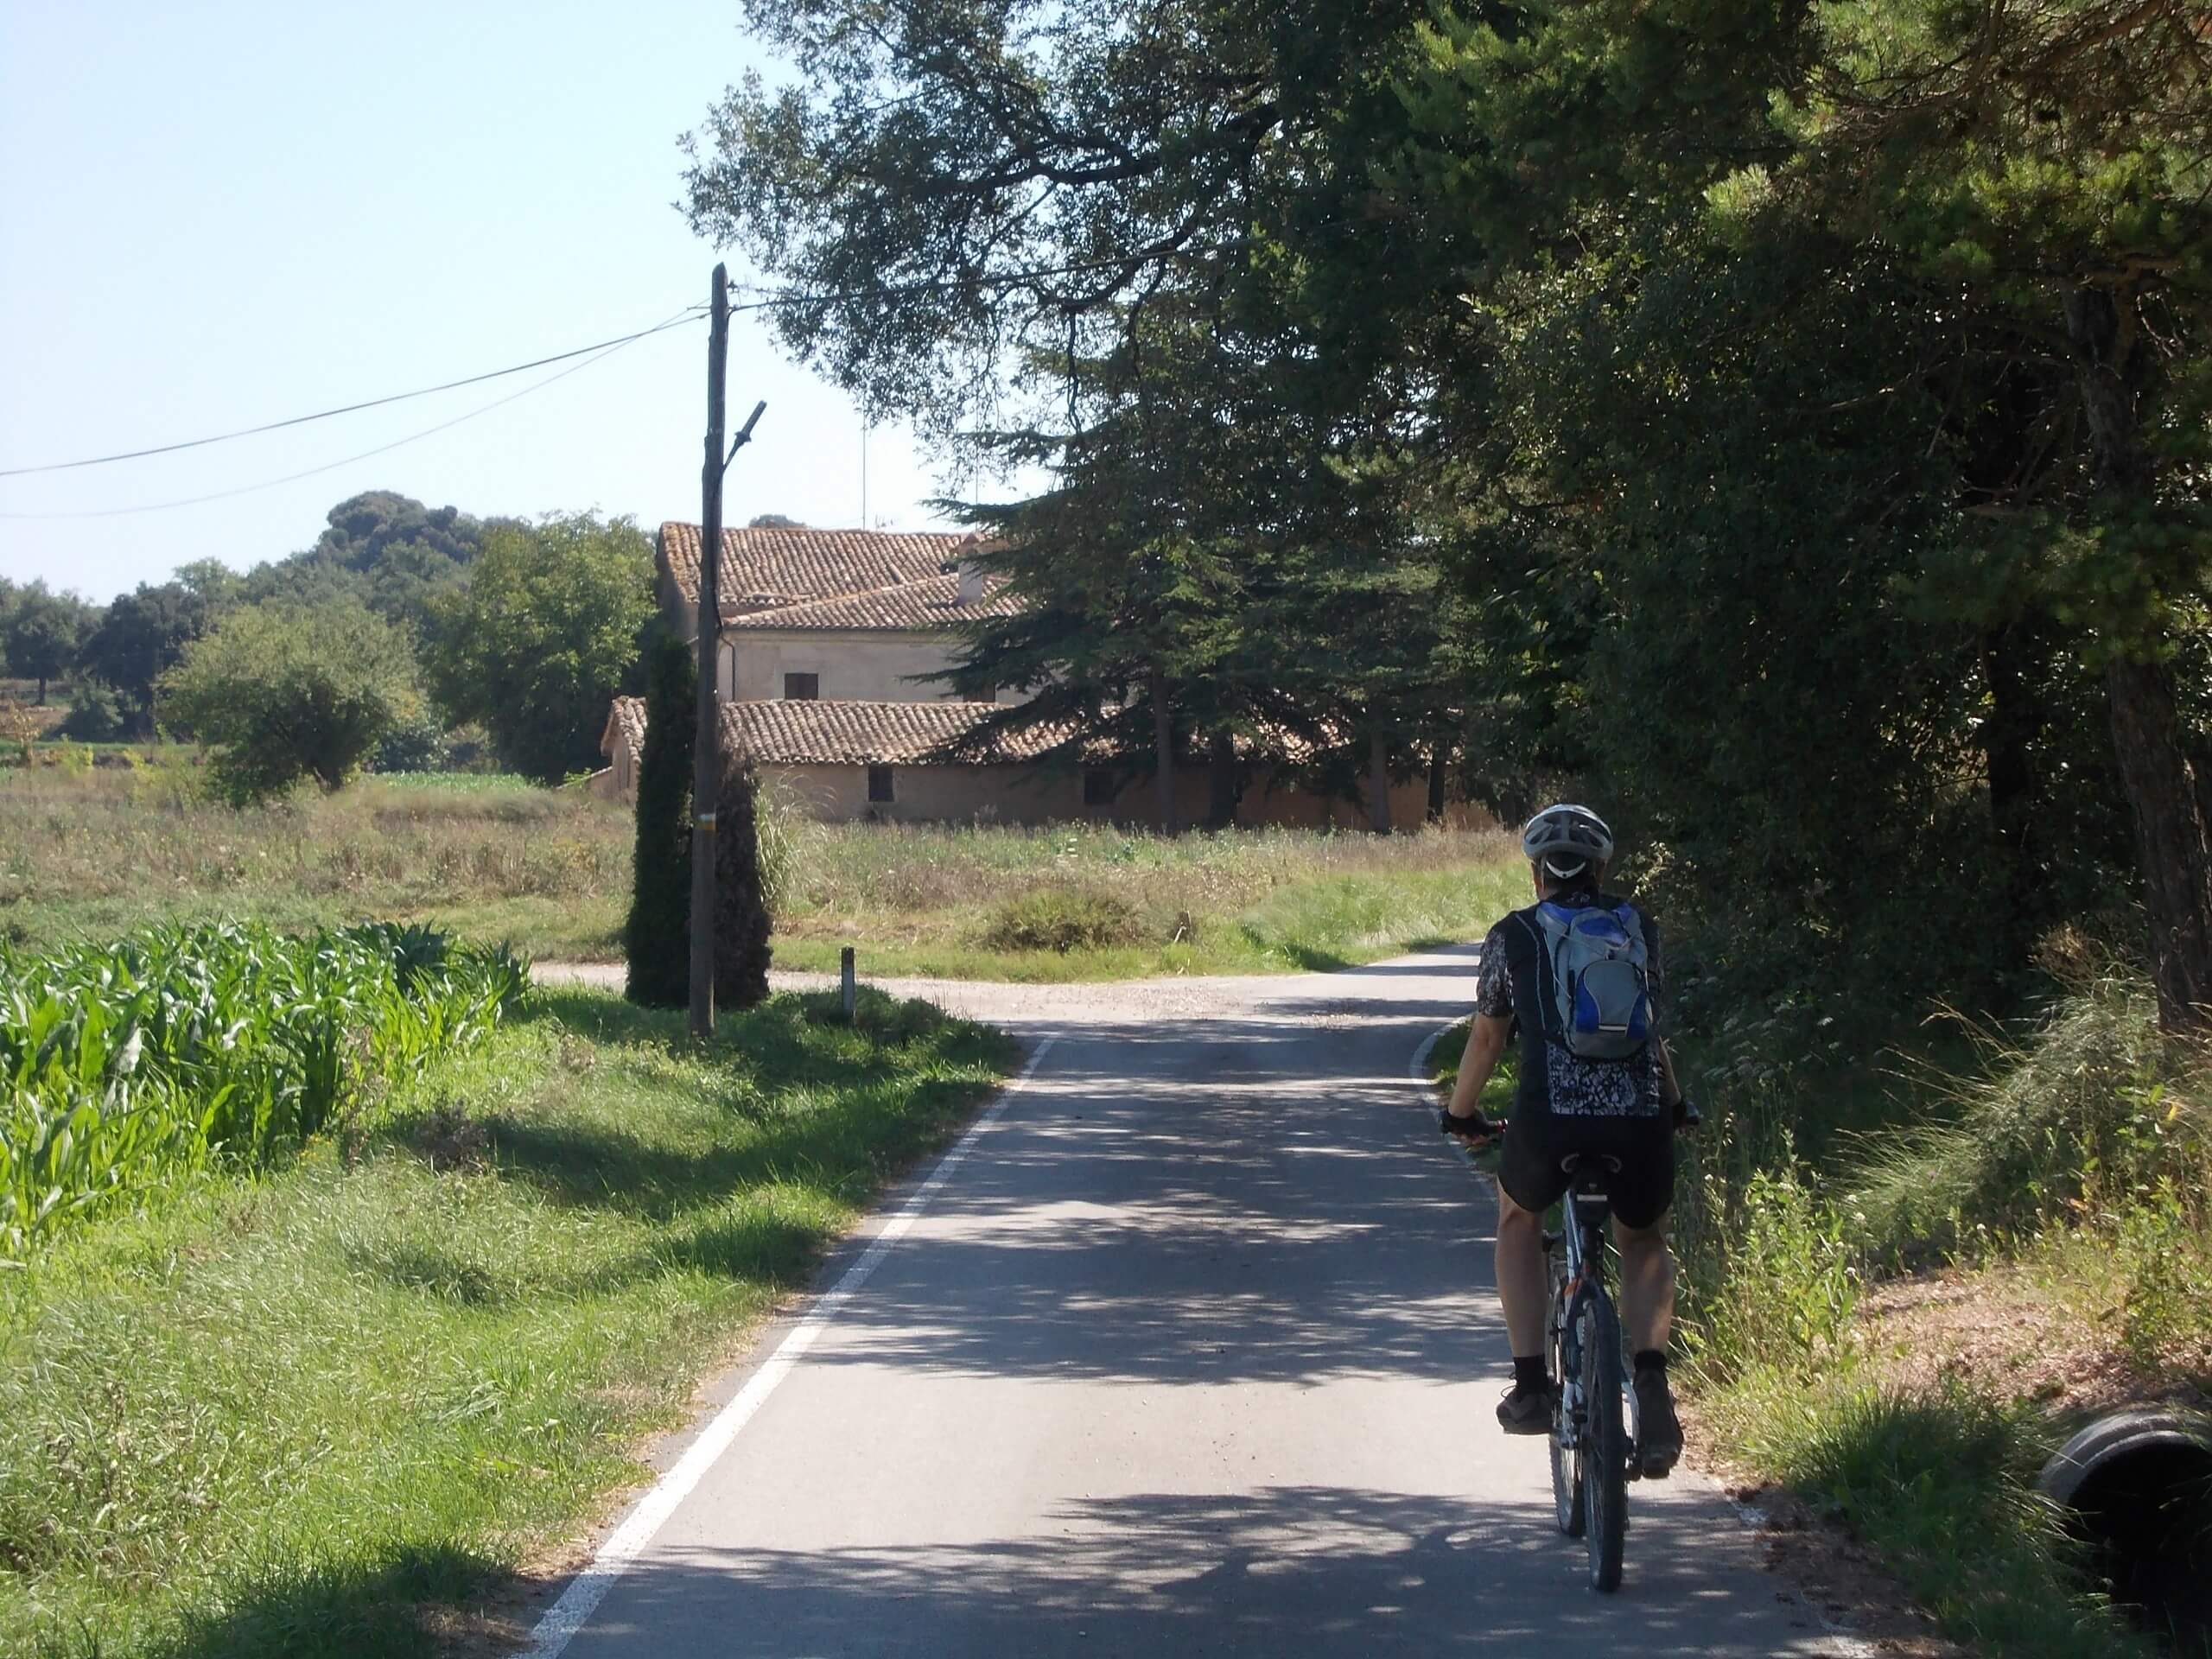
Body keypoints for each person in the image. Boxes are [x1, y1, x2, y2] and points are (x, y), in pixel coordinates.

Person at [1441, 803, 1687, 1477]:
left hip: (1550, 1121)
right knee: (1643, 1236)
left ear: (1535, 871)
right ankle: (1655, 1389)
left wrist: (1461, 1115)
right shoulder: (1639, 928)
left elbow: (1489, 1038)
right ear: (1602, 868)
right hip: (1638, 1119)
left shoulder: (1513, 934)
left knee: (1518, 1219)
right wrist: (1675, 1103)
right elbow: (1648, 1030)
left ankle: (1529, 1388)